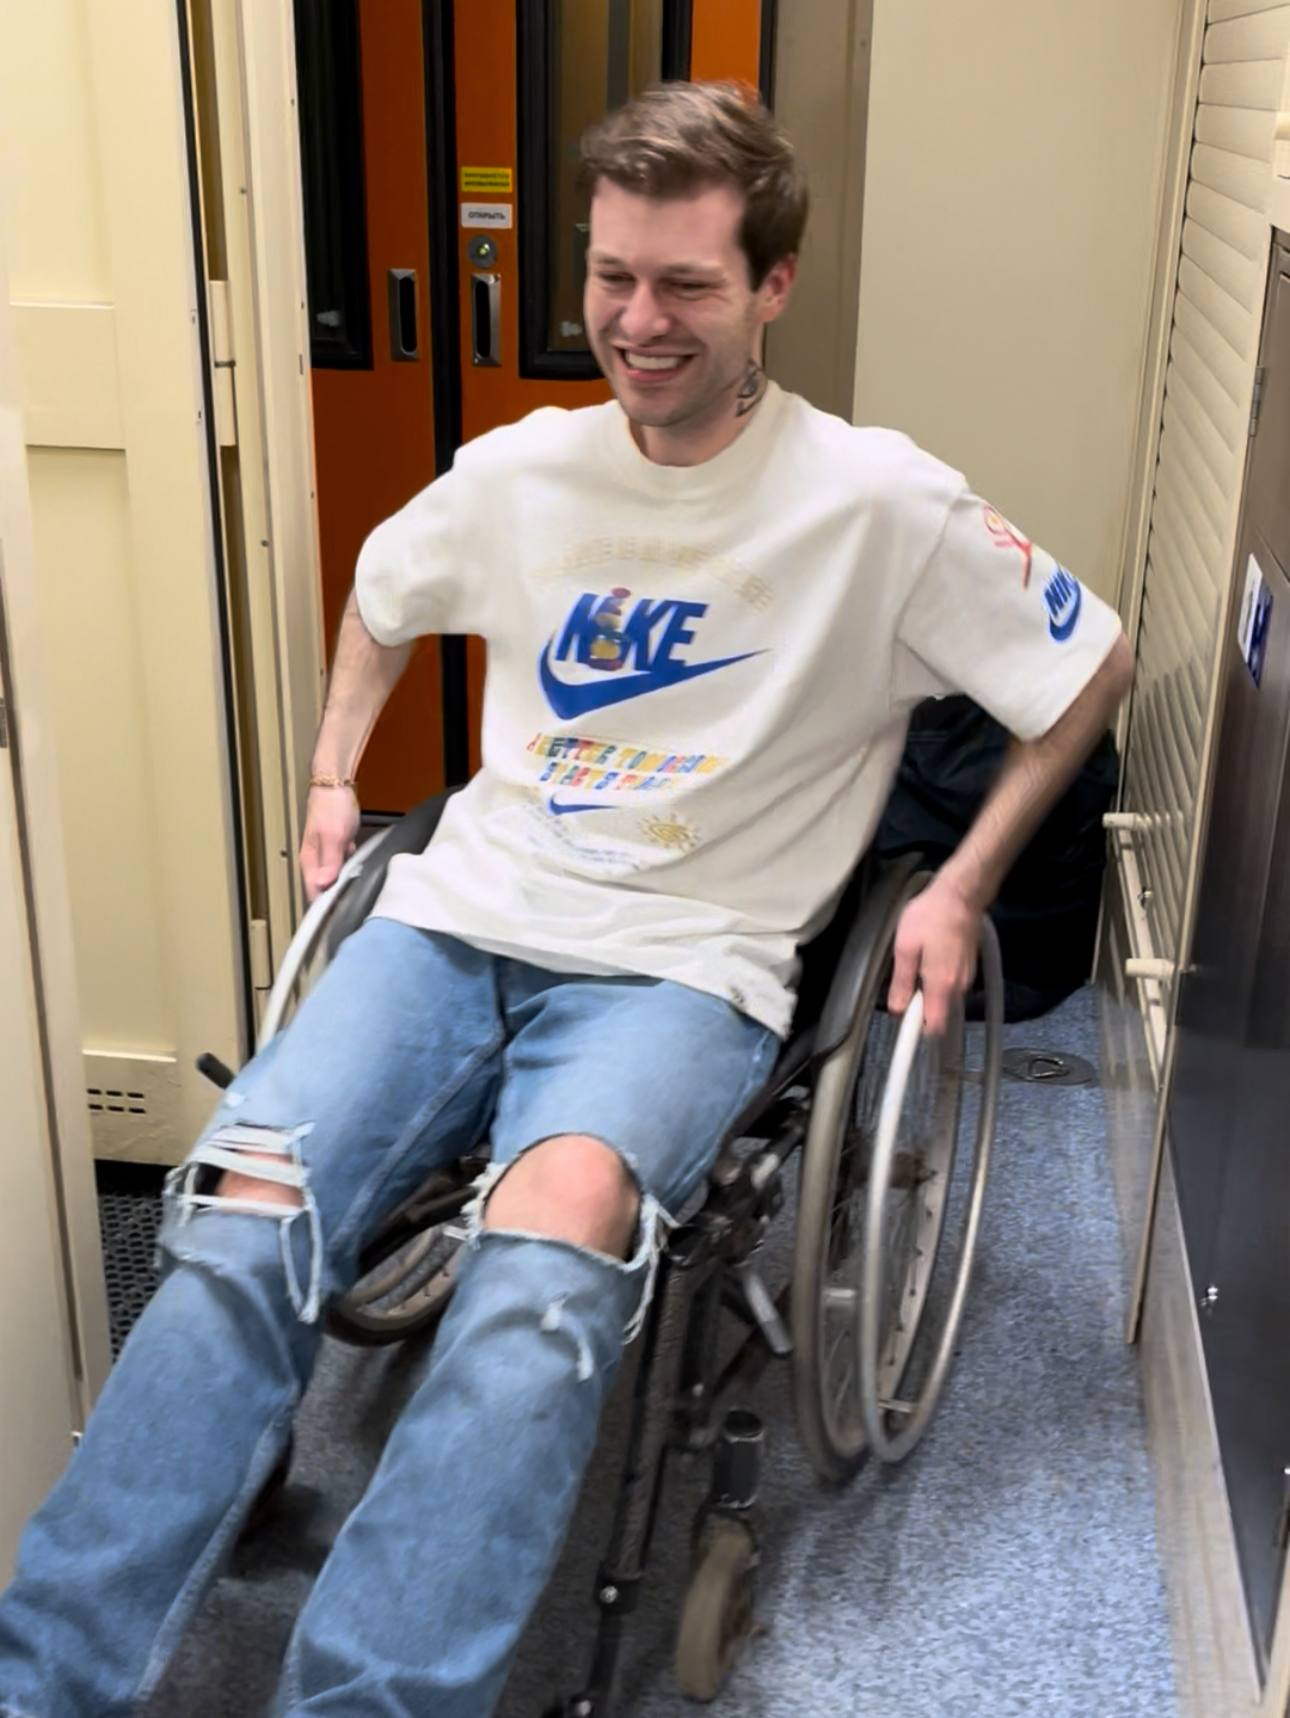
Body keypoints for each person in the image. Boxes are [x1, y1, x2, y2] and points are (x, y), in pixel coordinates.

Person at [0, 80, 1132, 1718]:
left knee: (546, 1261)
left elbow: (1087, 665)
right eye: (610, 275)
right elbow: (385, 593)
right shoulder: (522, 467)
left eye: (684, 284)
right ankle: (45, 1680)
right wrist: (331, 775)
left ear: (771, 288)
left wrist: (961, 883)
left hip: (678, 966)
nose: (636, 320)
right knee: (246, 1205)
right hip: (456, 919)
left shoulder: (879, 503)